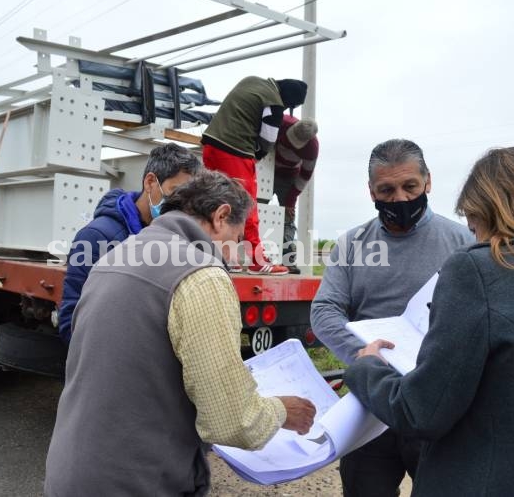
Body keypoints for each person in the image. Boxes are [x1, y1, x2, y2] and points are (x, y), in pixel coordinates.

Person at [44, 170, 316, 496]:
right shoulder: (201, 274)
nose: (235, 255)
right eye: (238, 239)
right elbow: (231, 422)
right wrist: (283, 410)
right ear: (221, 216)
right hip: (138, 483)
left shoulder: (117, 255)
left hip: (72, 471)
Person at [344, 147, 514, 496]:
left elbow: (422, 411)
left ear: (486, 212)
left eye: (472, 222)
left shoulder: (477, 269)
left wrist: (366, 368)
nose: (473, 232)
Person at [310, 139, 474, 497]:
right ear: (371, 191)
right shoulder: (353, 244)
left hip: (436, 405)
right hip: (369, 407)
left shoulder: (464, 242)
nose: (400, 198)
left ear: (428, 182)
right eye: (387, 189)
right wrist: (366, 357)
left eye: (409, 186)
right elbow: (324, 311)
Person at [57, 143, 201, 344]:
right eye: (174, 192)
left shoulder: (176, 241)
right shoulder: (96, 237)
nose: (180, 206)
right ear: (150, 182)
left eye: (187, 199)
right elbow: (71, 322)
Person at [201, 76, 308, 275]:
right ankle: (258, 261)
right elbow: (268, 138)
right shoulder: (274, 102)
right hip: (234, 150)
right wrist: (255, 156)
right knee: (247, 206)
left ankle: (223, 257)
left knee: (216, 204)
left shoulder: (253, 82)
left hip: (210, 145)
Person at [274, 115, 319, 274]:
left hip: (289, 176)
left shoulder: (312, 148)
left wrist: (290, 201)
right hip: (267, 167)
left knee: (288, 217)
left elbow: (305, 176)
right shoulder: (282, 121)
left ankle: (287, 260)